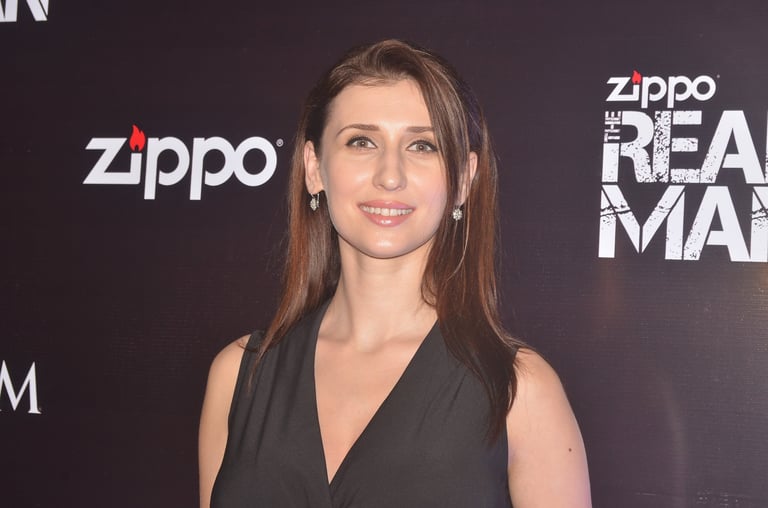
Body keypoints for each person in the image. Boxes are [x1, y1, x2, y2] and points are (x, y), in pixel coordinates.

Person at [199, 39, 591, 507]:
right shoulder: (239, 376)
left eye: (422, 145)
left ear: (463, 180)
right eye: (361, 142)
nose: (390, 175)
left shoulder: (519, 391)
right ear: (313, 168)